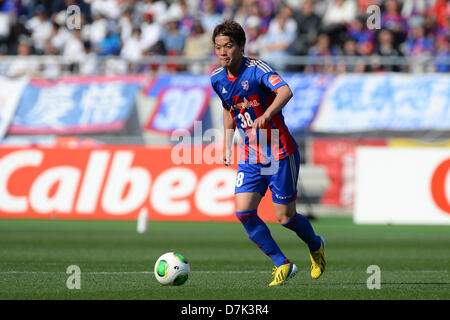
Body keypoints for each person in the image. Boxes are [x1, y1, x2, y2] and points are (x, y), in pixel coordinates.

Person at [210, 20, 325, 287]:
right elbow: (229, 108)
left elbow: (285, 91)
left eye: (228, 46)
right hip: (250, 156)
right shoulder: (217, 78)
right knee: (244, 212)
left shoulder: (256, 69)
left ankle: (316, 244)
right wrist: (227, 144)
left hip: (280, 154)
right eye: (218, 48)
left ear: (241, 47)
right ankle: (282, 263)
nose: (223, 52)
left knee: (285, 217)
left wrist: (267, 114)